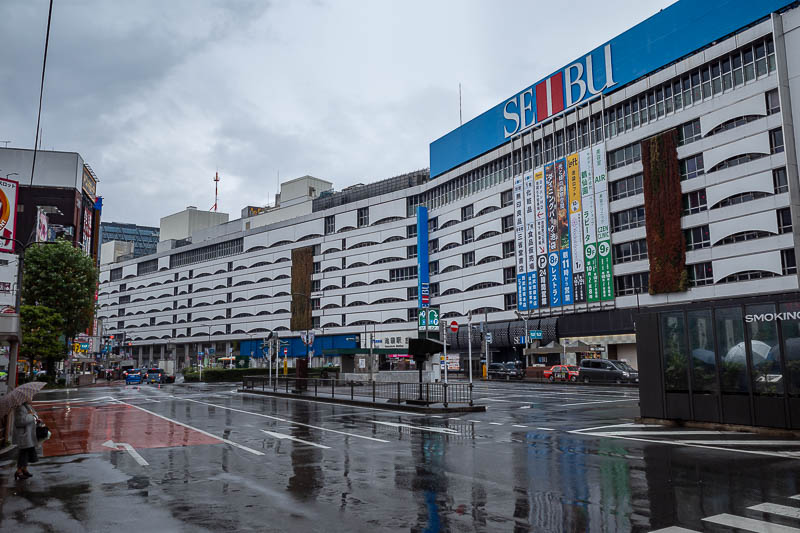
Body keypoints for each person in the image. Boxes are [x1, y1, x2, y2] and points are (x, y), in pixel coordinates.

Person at [13, 402, 38, 480]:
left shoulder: (27, 406)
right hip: (24, 435)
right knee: (23, 453)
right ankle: (18, 471)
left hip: (29, 434)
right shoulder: (19, 408)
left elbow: (34, 415)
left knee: (27, 452)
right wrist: (32, 416)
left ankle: (24, 469)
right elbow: (19, 421)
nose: (31, 398)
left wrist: (36, 418)